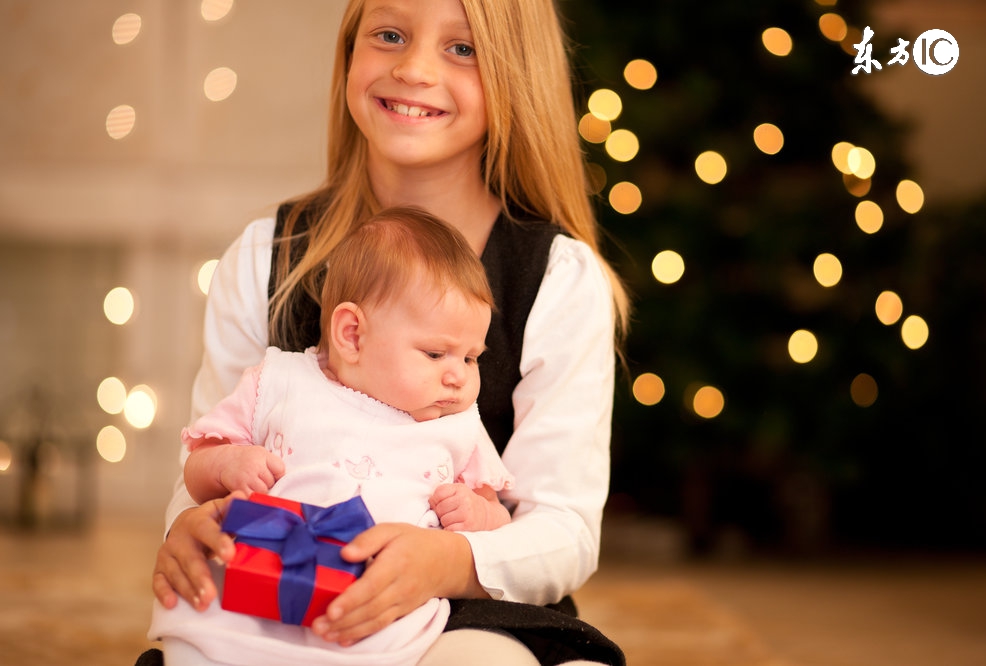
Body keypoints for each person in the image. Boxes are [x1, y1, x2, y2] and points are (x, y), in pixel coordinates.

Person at [147, 0, 630, 664]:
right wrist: (187, 523)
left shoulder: (558, 277)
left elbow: (565, 530)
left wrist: (444, 559)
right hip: (281, 594)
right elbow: (210, 456)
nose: (413, 68)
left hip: (470, 615)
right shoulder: (266, 257)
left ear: (516, 75)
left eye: (462, 49)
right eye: (389, 35)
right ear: (350, 52)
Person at [148, 207, 515, 665]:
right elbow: (198, 469)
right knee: (199, 627)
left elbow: (500, 522)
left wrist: (478, 514)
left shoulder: (457, 427)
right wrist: (227, 464)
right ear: (352, 334)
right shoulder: (279, 382)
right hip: (258, 581)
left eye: (471, 358)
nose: (458, 377)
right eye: (437, 353)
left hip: (377, 614)